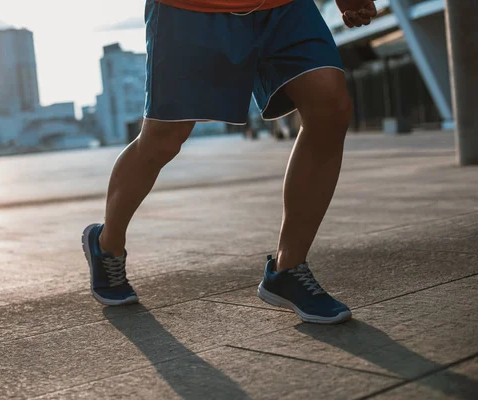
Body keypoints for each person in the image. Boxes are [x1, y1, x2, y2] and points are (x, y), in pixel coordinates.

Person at [83, 0, 377, 324]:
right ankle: (107, 243)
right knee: (164, 138)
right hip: (191, 8)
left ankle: (288, 269)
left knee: (330, 107)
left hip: (284, 6)